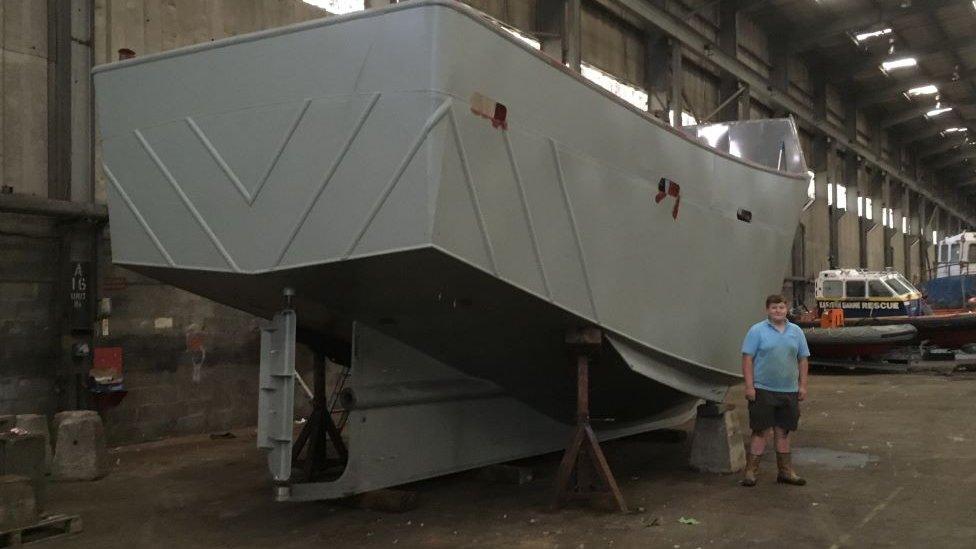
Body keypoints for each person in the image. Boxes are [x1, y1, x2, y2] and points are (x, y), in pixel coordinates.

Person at [740, 294, 810, 487]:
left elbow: (803, 359)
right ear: (767, 310)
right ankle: (751, 472)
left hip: (789, 391)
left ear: (786, 309)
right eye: (773, 308)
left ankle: (785, 472)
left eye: (781, 307)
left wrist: (802, 385)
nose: (777, 311)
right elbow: (747, 359)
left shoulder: (796, 332)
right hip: (763, 390)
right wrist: (749, 386)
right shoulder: (757, 331)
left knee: (784, 432)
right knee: (760, 431)